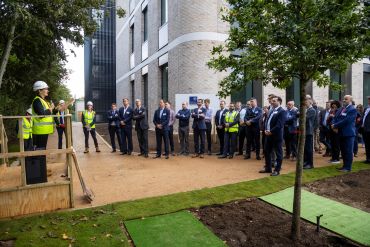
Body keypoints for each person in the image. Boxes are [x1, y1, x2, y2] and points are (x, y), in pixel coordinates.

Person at [259, 96, 286, 176]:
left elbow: (279, 125)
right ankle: (268, 168)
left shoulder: (282, 111)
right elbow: (268, 121)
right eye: (272, 101)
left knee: (278, 153)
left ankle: (277, 170)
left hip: (276, 136)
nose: (272, 102)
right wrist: (266, 130)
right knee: (267, 152)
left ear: (279, 102)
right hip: (268, 135)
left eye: (274, 101)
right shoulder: (271, 110)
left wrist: (271, 131)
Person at [331, 95, 357, 172]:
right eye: (344, 99)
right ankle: (344, 166)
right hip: (341, 133)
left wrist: (335, 126)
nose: (344, 100)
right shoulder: (342, 108)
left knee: (348, 151)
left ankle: (348, 167)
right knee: (343, 151)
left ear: (351, 100)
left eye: (346, 99)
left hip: (348, 133)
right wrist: (333, 125)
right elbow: (335, 117)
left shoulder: (352, 109)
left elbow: (347, 120)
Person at [31, 81, 55, 150]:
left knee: (42, 150)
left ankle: (42, 161)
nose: (48, 90)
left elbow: (48, 113)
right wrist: (51, 109)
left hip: (43, 130)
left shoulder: (44, 101)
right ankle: (39, 161)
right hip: (40, 131)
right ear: (40, 90)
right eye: (46, 89)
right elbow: (42, 114)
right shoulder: (37, 101)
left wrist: (54, 109)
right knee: (40, 151)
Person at [303, 99, 317, 169]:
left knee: (309, 148)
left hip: (309, 132)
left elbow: (305, 118)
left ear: (310, 103)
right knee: (305, 148)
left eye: (306, 102)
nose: (305, 103)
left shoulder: (312, 110)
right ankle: (305, 162)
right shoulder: (306, 110)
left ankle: (310, 164)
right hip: (305, 131)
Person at [361, 96, 370, 163]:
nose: (368, 101)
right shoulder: (366, 108)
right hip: (365, 129)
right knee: (367, 144)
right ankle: (368, 158)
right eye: (368, 99)